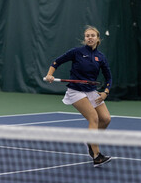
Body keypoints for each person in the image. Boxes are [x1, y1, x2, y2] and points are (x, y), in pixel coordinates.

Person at [45, 25, 112, 167]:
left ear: (97, 38)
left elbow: (109, 78)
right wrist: (50, 74)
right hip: (75, 91)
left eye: (92, 35)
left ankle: (90, 140)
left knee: (106, 119)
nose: (90, 38)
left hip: (91, 91)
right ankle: (96, 155)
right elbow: (56, 62)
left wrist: (105, 92)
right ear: (85, 38)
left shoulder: (100, 57)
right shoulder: (76, 52)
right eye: (87, 35)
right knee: (93, 118)